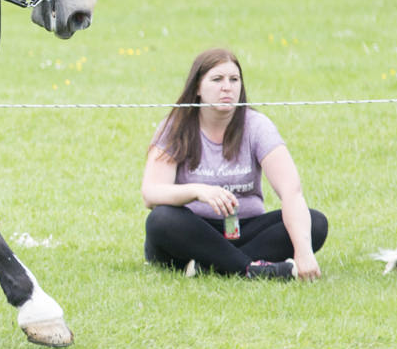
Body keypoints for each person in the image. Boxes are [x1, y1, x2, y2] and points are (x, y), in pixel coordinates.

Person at [140, 48, 327, 280]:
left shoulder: (257, 126)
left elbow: (291, 192)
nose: (227, 87)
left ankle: (214, 266)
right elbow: (151, 193)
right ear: (197, 87)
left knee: (315, 223)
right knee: (161, 220)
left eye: (234, 79)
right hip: (192, 231)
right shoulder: (175, 126)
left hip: (245, 229)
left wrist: (304, 251)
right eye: (217, 79)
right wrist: (198, 191)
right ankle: (251, 270)